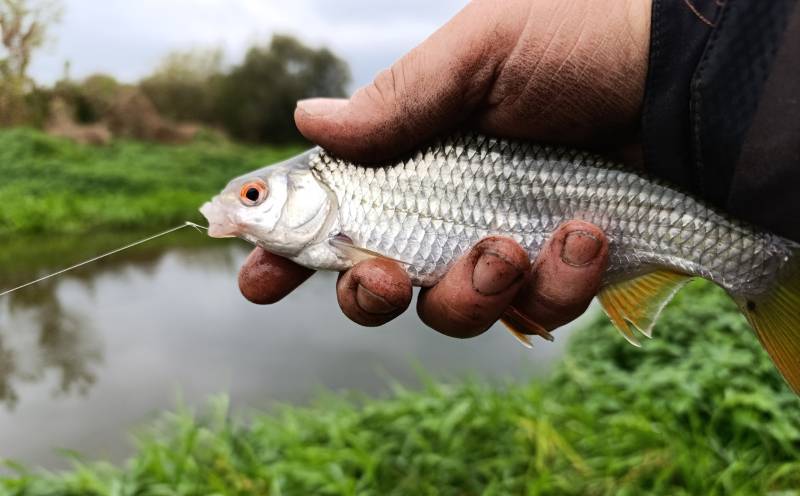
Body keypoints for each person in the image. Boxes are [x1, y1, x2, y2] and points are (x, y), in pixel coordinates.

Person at [238, 0, 799, 339]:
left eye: (255, 196)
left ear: (312, 190)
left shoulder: (342, 178)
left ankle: (772, 272)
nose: (240, 206)